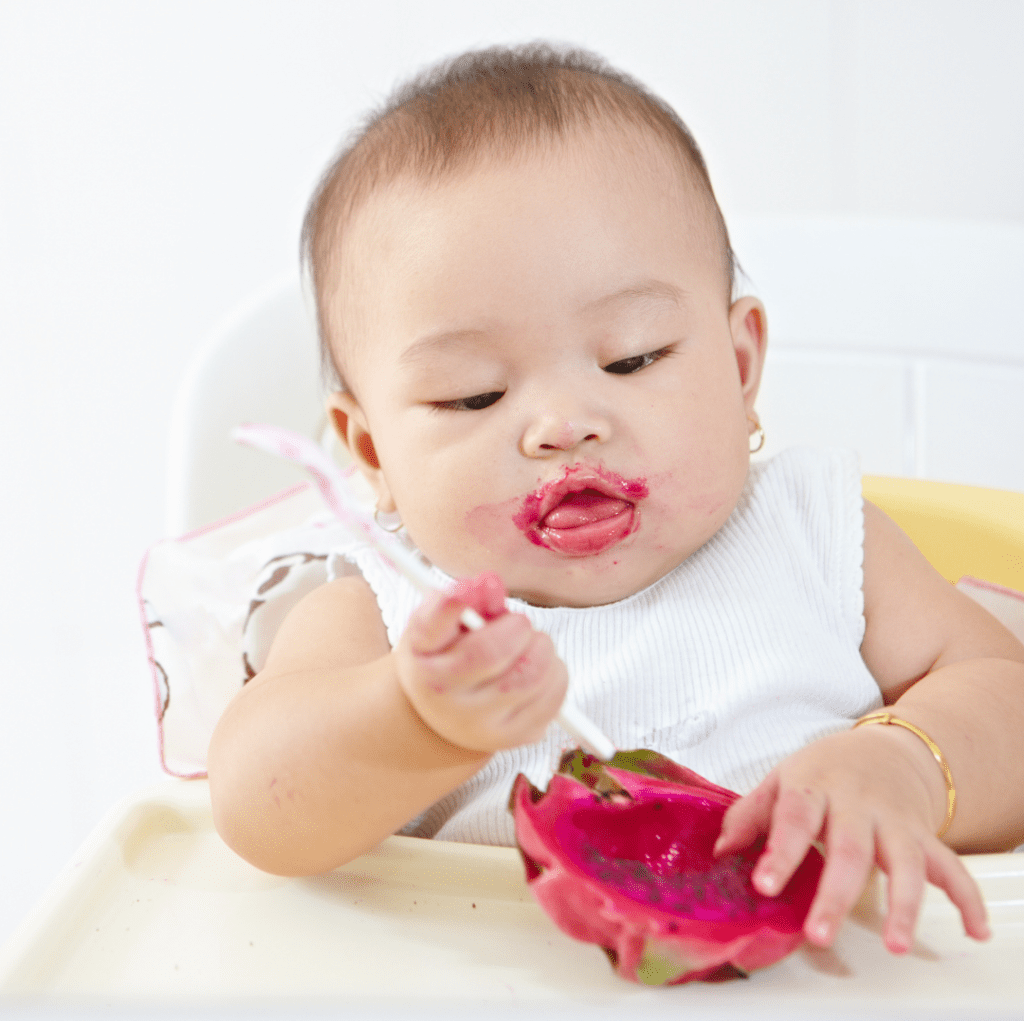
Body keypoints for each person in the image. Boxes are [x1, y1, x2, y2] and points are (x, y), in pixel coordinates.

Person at [206, 43, 1024, 958]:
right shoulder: (386, 610)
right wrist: (414, 719)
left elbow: (1009, 695)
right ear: (373, 451)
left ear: (741, 366)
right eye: (473, 395)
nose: (563, 425)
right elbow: (253, 806)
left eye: (632, 358)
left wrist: (907, 763)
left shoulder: (818, 537)